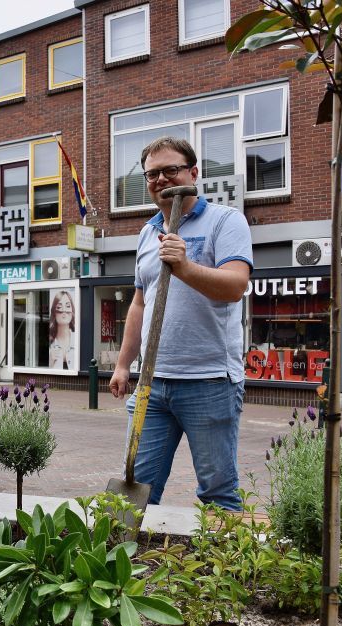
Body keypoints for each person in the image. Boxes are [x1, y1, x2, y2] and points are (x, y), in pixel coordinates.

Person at [108, 137, 253, 510]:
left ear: (193, 173)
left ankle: (223, 567)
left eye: (170, 170)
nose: (160, 179)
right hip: (152, 384)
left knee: (217, 490)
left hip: (209, 380)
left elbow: (236, 286)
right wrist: (124, 365)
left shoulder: (226, 220)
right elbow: (140, 303)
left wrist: (185, 267)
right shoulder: (146, 232)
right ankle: (121, 564)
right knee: (136, 487)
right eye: (152, 174)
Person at [48, 290, 75, 371]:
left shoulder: (78, 339)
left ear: (72, 311)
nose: (64, 311)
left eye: (67, 306)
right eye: (59, 307)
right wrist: (50, 361)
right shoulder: (50, 343)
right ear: (54, 312)